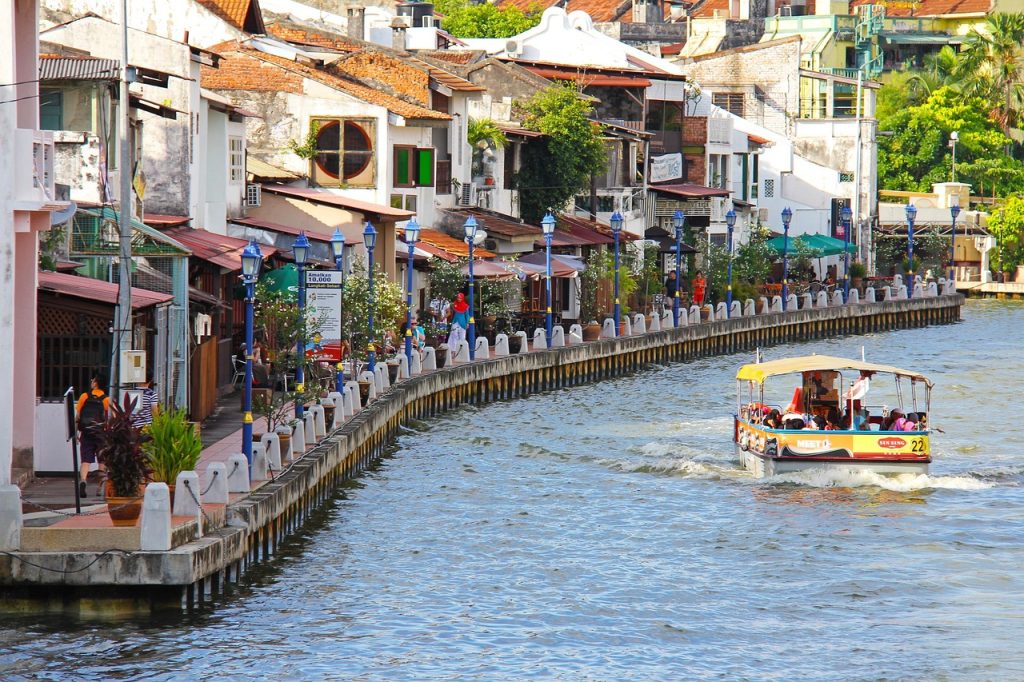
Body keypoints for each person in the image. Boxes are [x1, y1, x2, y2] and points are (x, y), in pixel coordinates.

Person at [76, 373, 110, 498]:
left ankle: (83, 480)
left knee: (85, 460)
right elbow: (110, 418)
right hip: (101, 434)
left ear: (96, 383)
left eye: (93, 380)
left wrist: (77, 432)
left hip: (86, 432)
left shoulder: (84, 396)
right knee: (102, 460)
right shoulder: (106, 400)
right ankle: (99, 487)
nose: (91, 381)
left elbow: (78, 416)